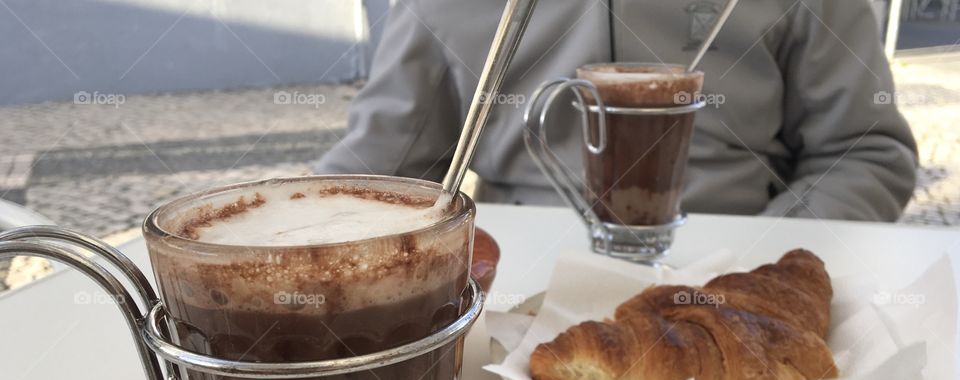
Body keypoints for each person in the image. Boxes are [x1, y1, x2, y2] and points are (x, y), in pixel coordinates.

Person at [316, 0, 918, 222]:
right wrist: (273, 238)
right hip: (515, 308)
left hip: (735, 262)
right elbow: (376, 176)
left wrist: (769, 258)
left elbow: (865, 151)